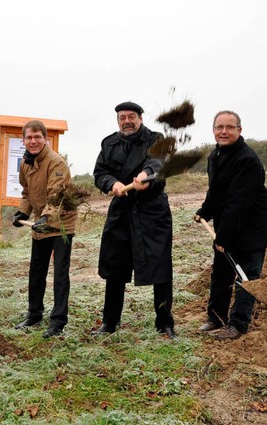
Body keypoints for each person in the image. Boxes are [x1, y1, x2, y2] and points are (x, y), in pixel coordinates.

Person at [92, 101, 175, 338]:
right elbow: (100, 173)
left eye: (131, 117)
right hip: (122, 211)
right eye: (122, 118)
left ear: (140, 118)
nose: (127, 121)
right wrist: (113, 184)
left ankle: (165, 323)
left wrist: (145, 175)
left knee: (160, 266)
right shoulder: (109, 143)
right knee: (115, 266)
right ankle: (109, 322)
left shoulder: (157, 139)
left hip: (152, 211)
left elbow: (158, 162)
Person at [194, 111, 267, 340]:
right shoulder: (215, 156)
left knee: (245, 277)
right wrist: (205, 210)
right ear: (213, 130)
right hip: (227, 226)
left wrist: (223, 237)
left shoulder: (247, 159)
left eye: (229, 127)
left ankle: (238, 324)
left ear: (239, 130)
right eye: (219, 127)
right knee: (221, 275)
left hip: (249, 230)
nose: (224, 131)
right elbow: (215, 192)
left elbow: (239, 204)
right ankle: (216, 317)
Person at [12, 120, 77, 338]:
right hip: (41, 223)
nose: (33, 141)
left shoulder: (56, 162)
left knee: (60, 274)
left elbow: (57, 198)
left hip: (61, 225)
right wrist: (23, 212)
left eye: (37, 137)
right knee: (36, 270)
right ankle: (34, 314)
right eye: (29, 137)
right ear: (23, 140)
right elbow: (26, 193)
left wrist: (46, 218)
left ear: (45, 139)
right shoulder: (25, 163)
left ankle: (58, 321)